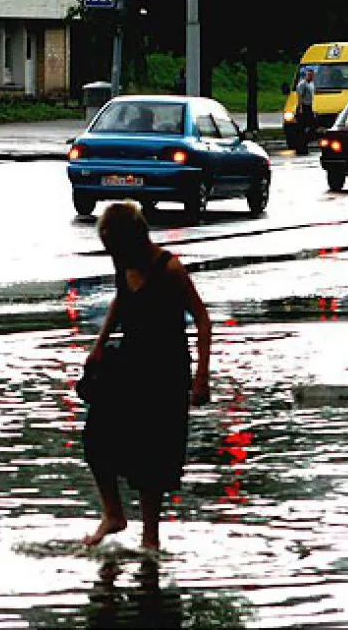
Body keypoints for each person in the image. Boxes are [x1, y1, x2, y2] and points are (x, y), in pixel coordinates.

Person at [81, 200, 212, 551]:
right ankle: (113, 514)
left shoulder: (169, 269)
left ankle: (150, 539)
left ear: (132, 238)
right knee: (96, 439)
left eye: (114, 246)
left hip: (165, 370)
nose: (112, 254)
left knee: (152, 454)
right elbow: (120, 302)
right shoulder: (124, 264)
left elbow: (201, 319)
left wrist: (202, 376)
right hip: (130, 362)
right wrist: (99, 345)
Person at [294, 69, 316, 154]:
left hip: (309, 106)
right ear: (306, 75)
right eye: (309, 75)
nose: (311, 77)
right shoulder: (302, 84)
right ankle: (301, 147)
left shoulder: (312, 84)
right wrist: (300, 108)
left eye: (312, 75)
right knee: (302, 128)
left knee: (310, 127)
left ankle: (304, 144)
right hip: (303, 107)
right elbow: (299, 96)